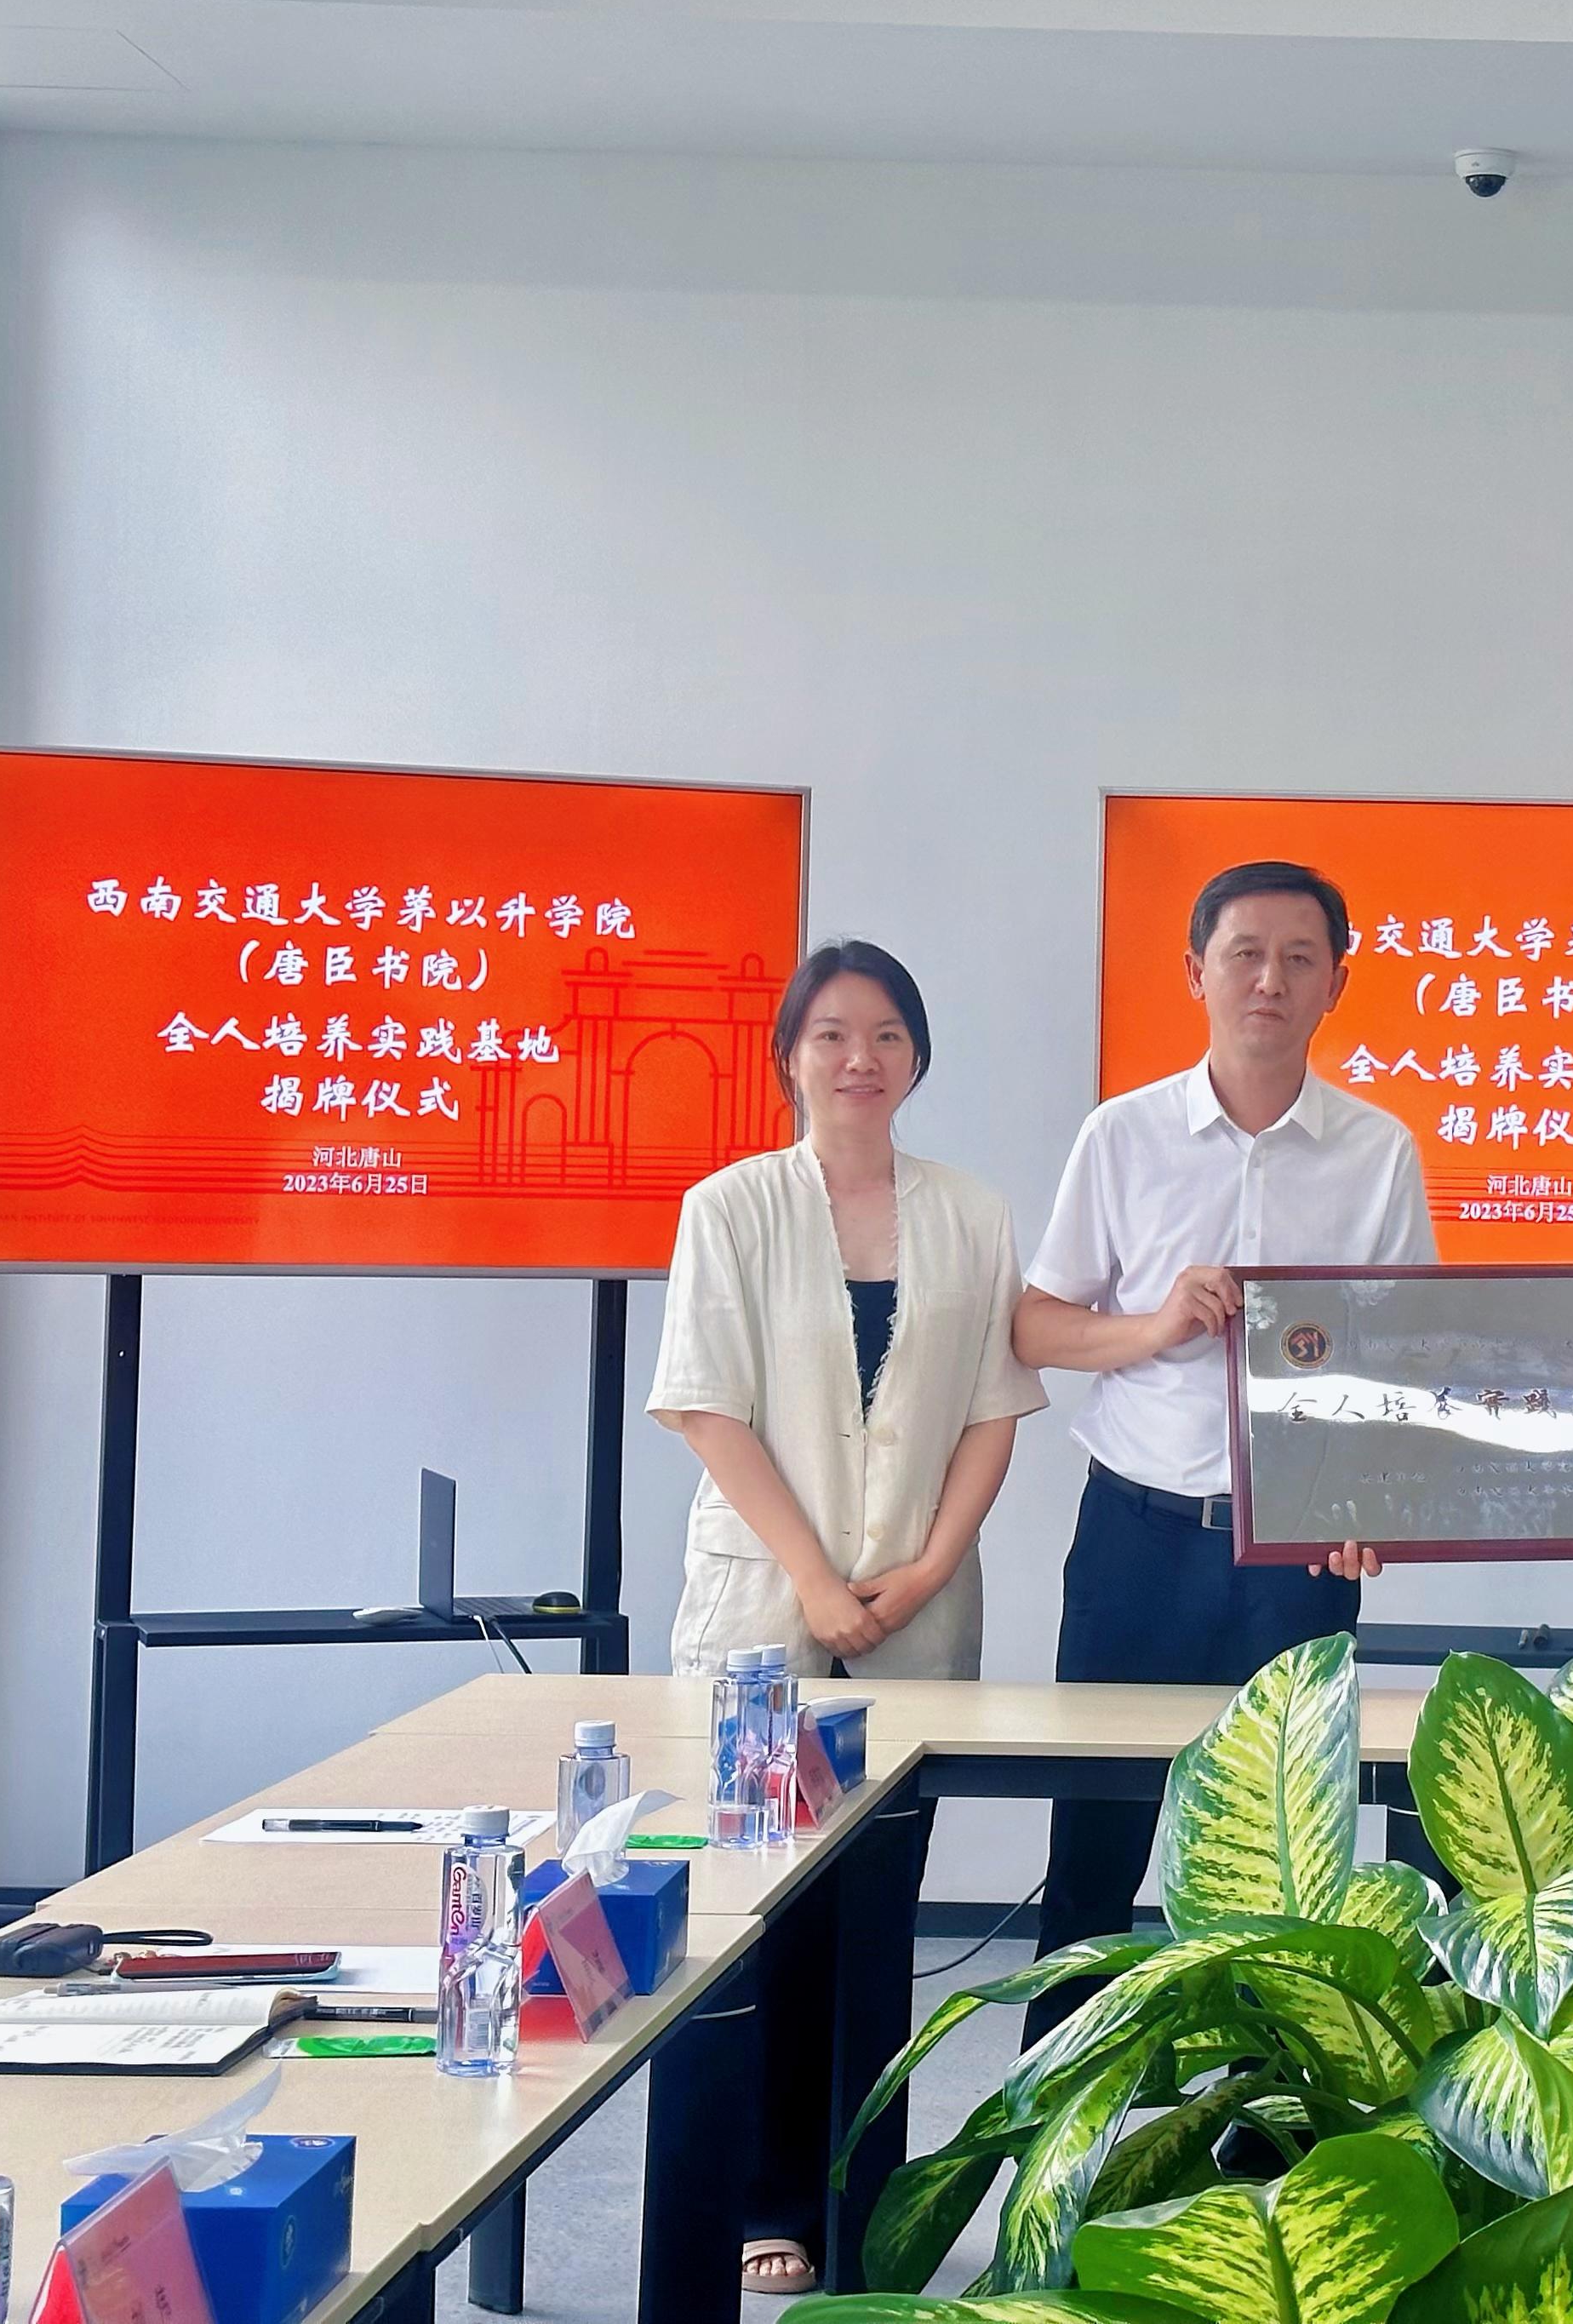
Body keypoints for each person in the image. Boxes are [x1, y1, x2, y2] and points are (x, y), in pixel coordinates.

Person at [646, 937, 1044, 2294]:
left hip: (915, 1614)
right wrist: (816, 1580)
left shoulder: (969, 1212)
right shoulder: (732, 1206)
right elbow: (707, 1406)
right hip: (765, 1607)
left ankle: (863, 2211)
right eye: (831, 1035)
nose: (859, 1058)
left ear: (916, 1057)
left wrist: (926, 1569)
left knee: (875, 1918)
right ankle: (766, 2199)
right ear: (789, 1058)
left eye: (885, 1035)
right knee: (758, 1911)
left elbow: (993, 1410)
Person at [1013, 860, 1430, 2029]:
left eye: (1300, 959)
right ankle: (1061, 2097)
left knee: (1285, 1864)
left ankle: (1267, 2111)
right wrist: (1153, 1326)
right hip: (1136, 1535)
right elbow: (1037, 1325)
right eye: (1245, 954)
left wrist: (1374, 1506)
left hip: (1294, 1554)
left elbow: (1404, 1361)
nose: (1270, 981)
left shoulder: (1379, 1150)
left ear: (1337, 983)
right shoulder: (1123, 1135)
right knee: (1094, 1846)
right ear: (1196, 972)